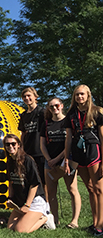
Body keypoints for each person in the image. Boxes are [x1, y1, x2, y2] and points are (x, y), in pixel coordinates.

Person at [64, 85, 103, 236]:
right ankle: (94, 223)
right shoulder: (71, 114)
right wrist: (67, 158)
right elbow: (68, 138)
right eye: (77, 95)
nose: (79, 97)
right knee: (90, 189)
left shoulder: (96, 111)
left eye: (82, 94)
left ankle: (100, 225)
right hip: (78, 153)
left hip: (94, 151)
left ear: (88, 95)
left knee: (99, 189)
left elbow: (102, 136)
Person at [40, 97, 81, 227]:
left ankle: (74, 221)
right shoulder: (46, 124)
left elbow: (69, 143)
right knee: (51, 192)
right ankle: (55, 220)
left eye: (56, 105)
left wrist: (57, 159)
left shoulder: (68, 121)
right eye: (51, 107)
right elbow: (42, 144)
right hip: (50, 162)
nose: (54, 108)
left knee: (72, 189)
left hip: (67, 160)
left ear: (62, 106)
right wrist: (49, 160)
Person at [4, 134, 55, 233]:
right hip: (21, 201)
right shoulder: (10, 161)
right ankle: (30, 218)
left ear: (18, 144)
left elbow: (34, 184)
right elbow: (11, 182)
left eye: (13, 144)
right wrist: (10, 198)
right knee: (10, 227)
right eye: (7, 144)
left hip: (34, 200)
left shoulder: (27, 160)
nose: (10, 146)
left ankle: (45, 218)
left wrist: (27, 205)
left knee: (20, 230)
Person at [18, 87, 46, 190]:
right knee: (31, 180)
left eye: (29, 96)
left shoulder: (42, 112)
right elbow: (23, 133)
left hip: (40, 151)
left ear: (35, 97)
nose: (27, 98)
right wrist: (21, 148)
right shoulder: (24, 115)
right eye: (24, 97)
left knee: (44, 181)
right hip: (28, 152)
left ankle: (46, 204)